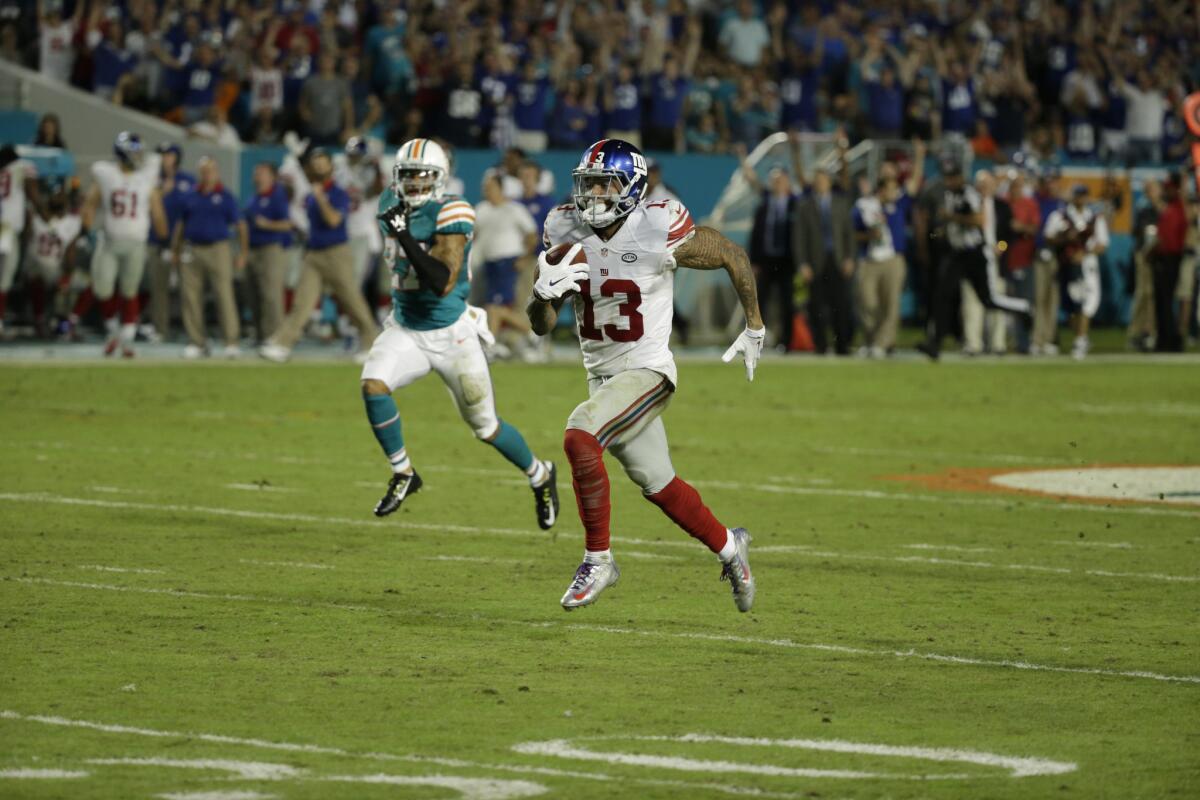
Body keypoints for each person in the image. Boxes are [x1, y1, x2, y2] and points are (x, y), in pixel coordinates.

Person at [527, 138, 764, 612]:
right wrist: (540, 295)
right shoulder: (562, 227)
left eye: (603, 185)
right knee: (658, 483)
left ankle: (599, 560)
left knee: (579, 435)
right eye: (587, 184)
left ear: (631, 189)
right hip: (603, 379)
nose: (592, 195)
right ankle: (729, 547)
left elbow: (732, 254)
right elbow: (543, 325)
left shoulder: (657, 225)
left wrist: (754, 324)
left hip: (647, 370)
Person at [360, 137, 560, 529]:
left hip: (452, 335)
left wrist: (403, 235)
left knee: (486, 427)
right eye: (408, 176)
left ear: (440, 178)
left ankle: (540, 474)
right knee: (373, 385)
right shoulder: (389, 200)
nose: (414, 185)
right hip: (407, 328)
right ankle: (403, 472)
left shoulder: (454, 210)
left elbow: (441, 281)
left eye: (423, 177)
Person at [259, 147, 379, 361]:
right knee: (302, 302)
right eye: (316, 164)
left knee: (352, 301)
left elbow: (334, 220)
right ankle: (282, 344)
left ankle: (372, 343)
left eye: (323, 163)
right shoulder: (312, 191)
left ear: (331, 167)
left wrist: (321, 198)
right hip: (314, 254)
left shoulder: (338, 193)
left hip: (336, 254)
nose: (319, 167)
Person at [917, 160, 1029, 360]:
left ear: (960, 178)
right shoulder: (951, 194)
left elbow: (979, 220)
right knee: (942, 294)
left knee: (988, 299)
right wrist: (942, 232)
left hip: (975, 254)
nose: (949, 181)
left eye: (952, 177)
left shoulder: (969, 194)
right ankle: (935, 343)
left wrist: (951, 217)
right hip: (958, 253)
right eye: (947, 177)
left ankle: (1023, 308)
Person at [81, 132, 167, 357]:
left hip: (136, 243)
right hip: (110, 241)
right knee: (103, 289)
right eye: (135, 151)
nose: (139, 156)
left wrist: (163, 236)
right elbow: (91, 202)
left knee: (130, 291)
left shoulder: (146, 178)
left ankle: (126, 340)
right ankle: (113, 332)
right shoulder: (106, 175)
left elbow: (156, 208)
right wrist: (86, 226)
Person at [172, 157, 241, 359]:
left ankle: (231, 341)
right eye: (203, 171)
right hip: (192, 249)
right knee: (190, 297)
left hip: (218, 248)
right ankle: (197, 342)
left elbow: (240, 225)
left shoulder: (226, 196)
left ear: (217, 172)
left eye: (210, 170)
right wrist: (175, 249)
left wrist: (242, 252)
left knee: (224, 295)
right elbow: (181, 225)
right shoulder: (190, 195)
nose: (207, 174)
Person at [740, 145, 798, 352]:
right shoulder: (764, 204)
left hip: (787, 261)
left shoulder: (796, 204)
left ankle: (786, 342)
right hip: (765, 260)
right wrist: (753, 261)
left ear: (788, 182)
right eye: (775, 180)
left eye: (781, 179)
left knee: (786, 303)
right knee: (759, 303)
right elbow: (756, 234)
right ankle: (757, 342)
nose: (777, 183)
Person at [472, 174, 539, 356]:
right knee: (492, 306)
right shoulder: (482, 209)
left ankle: (493, 345)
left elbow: (532, 235)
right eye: (486, 188)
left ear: (501, 189)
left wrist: (525, 257)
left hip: (508, 262)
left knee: (495, 307)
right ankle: (528, 334)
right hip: (489, 264)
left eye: (491, 187)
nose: (487, 191)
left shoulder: (514, 209)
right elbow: (474, 234)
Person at [793, 166, 855, 355]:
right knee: (816, 306)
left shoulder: (841, 203)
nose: (820, 184)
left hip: (837, 260)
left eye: (823, 180)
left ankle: (842, 345)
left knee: (841, 304)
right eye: (817, 180)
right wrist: (802, 263)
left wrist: (850, 258)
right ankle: (821, 346)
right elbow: (799, 237)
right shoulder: (805, 206)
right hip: (815, 262)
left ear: (829, 182)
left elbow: (848, 234)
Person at [1044, 185, 1108, 360]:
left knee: (1087, 303)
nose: (1080, 199)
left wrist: (1084, 253)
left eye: (1083, 195)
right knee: (1071, 304)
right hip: (1066, 265)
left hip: (1087, 266)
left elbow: (1102, 244)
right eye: (1078, 195)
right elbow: (1048, 236)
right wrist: (1066, 239)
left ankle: (1080, 339)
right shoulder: (1060, 216)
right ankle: (1080, 337)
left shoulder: (1094, 218)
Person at [959, 171, 1013, 355]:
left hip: (995, 261)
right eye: (981, 185)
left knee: (998, 301)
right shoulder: (967, 206)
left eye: (988, 184)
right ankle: (973, 344)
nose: (985, 188)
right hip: (973, 260)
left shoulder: (1002, 207)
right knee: (972, 303)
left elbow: (1007, 236)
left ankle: (998, 344)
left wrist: (1001, 247)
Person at [241, 161, 292, 343]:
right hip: (253, 249)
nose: (257, 176)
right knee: (253, 294)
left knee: (271, 295)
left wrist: (267, 224)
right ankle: (260, 334)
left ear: (272, 176)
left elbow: (288, 224)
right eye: (256, 173)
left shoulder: (278, 196)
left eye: (261, 172)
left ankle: (275, 337)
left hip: (272, 249)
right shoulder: (253, 199)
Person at [27, 179, 82, 338]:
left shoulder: (71, 222)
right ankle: (40, 320)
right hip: (36, 266)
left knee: (88, 285)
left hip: (57, 269)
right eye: (55, 195)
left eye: (61, 195)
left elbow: (71, 255)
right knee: (36, 276)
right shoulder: (35, 217)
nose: (58, 198)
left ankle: (70, 322)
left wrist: (66, 276)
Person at [0, 144, 39, 337]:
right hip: (6, 230)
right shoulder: (21, 167)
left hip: (6, 226)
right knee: (5, 278)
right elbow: (32, 192)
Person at [1003, 169, 1041, 354]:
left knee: (1025, 304)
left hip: (1024, 259)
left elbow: (1034, 229)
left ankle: (1024, 343)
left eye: (1018, 185)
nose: (1015, 189)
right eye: (1013, 185)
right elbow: (999, 235)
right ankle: (1002, 342)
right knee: (1003, 304)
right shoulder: (1002, 203)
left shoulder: (1029, 204)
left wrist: (1020, 227)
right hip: (1003, 260)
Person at [1151, 175, 1188, 352]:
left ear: (1176, 188)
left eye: (1169, 187)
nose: (1166, 191)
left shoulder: (1178, 209)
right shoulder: (1172, 209)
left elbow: (1169, 240)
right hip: (1165, 258)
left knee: (1165, 301)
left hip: (1170, 259)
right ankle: (1164, 339)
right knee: (1161, 301)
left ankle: (1171, 340)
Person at [1127, 179, 1161, 351]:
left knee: (1154, 295)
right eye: (1148, 190)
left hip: (1160, 257)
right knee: (1144, 293)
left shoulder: (1163, 208)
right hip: (1144, 255)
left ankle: (1151, 331)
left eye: (1152, 189)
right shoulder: (1144, 209)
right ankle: (1137, 331)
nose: (1150, 193)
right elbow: (1135, 231)